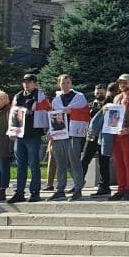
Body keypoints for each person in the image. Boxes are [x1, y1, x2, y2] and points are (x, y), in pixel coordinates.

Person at [48, 74, 89, 202]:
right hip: (60, 133)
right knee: (60, 162)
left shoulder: (79, 97)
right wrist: (51, 132)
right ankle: (60, 190)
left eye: (67, 82)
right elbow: (53, 117)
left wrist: (73, 112)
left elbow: (86, 114)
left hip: (74, 133)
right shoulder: (56, 100)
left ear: (71, 84)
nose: (65, 85)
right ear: (59, 84)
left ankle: (78, 189)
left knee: (74, 161)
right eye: (62, 83)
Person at [10, 73, 48, 204]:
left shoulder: (40, 95)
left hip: (33, 134)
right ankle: (19, 192)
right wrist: (11, 131)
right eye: (25, 81)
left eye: (30, 81)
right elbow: (13, 114)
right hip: (20, 135)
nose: (27, 83)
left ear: (35, 83)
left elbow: (45, 110)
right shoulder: (18, 96)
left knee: (34, 164)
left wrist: (32, 109)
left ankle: (35, 192)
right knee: (20, 165)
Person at [80, 83, 111, 199]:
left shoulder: (110, 104)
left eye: (102, 92)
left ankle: (104, 187)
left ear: (106, 92)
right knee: (84, 160)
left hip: (105, 137)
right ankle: (79, 184)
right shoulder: (91, 105)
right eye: (97, 92)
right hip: (92, 137)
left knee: (104, 162)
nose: (99, 94)